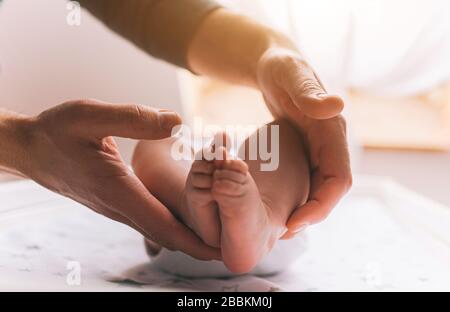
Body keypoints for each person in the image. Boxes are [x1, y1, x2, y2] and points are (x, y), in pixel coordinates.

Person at [0, 0, 351, 261]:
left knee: (278, 132)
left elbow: (151, 11)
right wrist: (24, 145)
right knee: (278, 140)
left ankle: (243, 215)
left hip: (193, 228)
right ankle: (251, 216)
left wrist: (267, 53)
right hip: (206, 227)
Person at [133, 119, 310, 274]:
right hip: (280, 241)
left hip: (177, 242)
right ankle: (265, 221)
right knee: (281, 133)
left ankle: (187, 207)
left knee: (155, 141)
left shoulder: (189, 151)